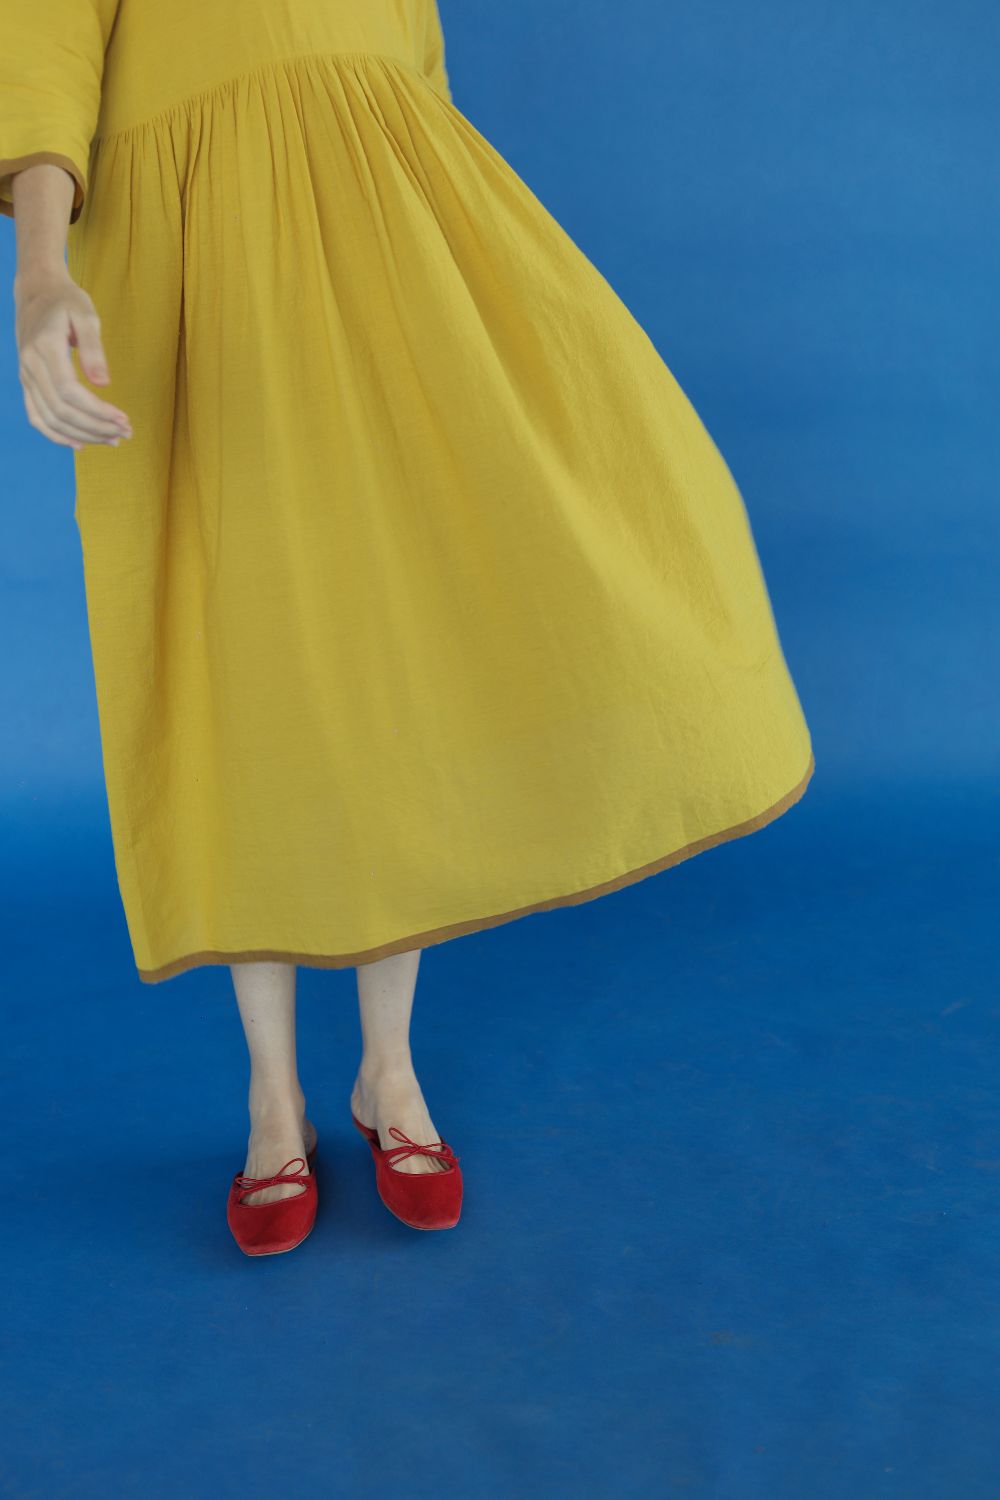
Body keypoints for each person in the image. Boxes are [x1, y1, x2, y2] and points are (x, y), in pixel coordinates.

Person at [1, 1, 815, 1254]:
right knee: (244, 674)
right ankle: (273, 1098)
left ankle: (388, 1074)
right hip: (202, 278)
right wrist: (42, 267)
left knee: (399, 647)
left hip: (390, 253)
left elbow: (410, 67)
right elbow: (43, 52)